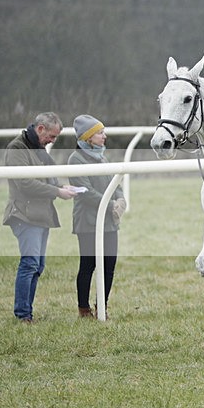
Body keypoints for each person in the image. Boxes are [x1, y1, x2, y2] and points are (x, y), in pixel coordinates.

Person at [2, 112, 78, 323]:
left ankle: (26, 311)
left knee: (37, 266)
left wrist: (62, 187)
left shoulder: (37, 147)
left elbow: (49, 178)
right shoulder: (16, 149)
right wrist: (57, 192)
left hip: (39, 214)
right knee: (29, 264)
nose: (52, 141)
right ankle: (23, 315)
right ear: (41, 129)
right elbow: (25, 183)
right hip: (24, 214)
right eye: (51, 136)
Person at [68, 115, 126, 319]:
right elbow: (85, 191)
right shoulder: (75, 159)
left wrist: (120, 200)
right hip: (87, 222)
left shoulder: (102, 156)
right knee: (88, 265)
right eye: (100, 132)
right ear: (89, 137)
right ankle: (83, 309)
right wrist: (111, 204)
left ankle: (102, 306)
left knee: (109, 265)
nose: (105, 136)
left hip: (108, 222)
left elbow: (114, 185)